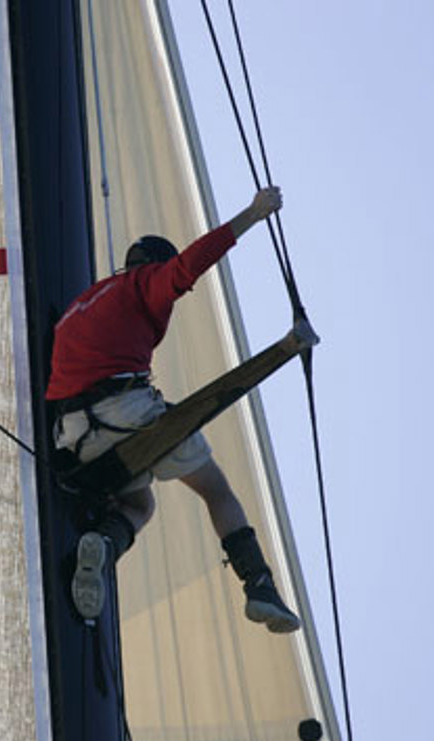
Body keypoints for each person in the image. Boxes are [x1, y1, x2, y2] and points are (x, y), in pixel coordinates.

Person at [46, 186, 301, 634]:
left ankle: (103, 542)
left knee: (137, 501)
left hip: (70, 434)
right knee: (216, 490)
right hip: (126, 411)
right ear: (152, 267)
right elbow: (189, 266)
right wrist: (253, 214)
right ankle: (258, 585)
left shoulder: (77, 307)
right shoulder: (144, 284)